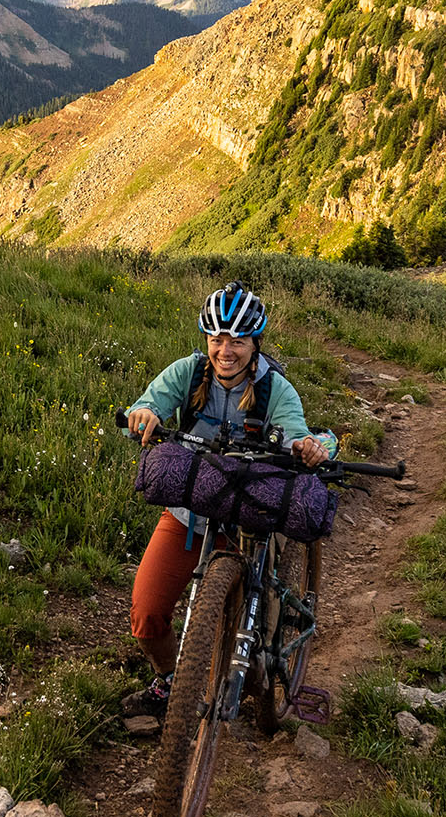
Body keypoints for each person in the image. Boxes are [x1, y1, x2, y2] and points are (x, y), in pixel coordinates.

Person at [119, 281, 334, 718]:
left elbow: (294, 432)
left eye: (237, 339)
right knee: (146, 613)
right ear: (206, 339)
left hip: (251, 514)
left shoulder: (277, 390)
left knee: (258, 628)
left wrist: (304, 446)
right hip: (189, 514)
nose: (226, 350)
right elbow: (149, 405)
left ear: (255, 343)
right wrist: (143, 415)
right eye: (217, 338)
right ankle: (170, 682)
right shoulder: (188, 372)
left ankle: (266, 669)